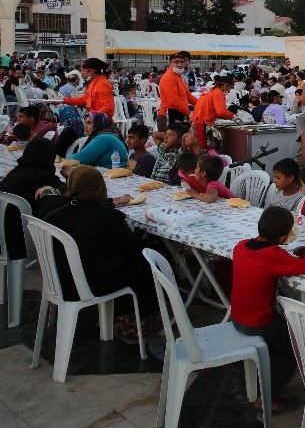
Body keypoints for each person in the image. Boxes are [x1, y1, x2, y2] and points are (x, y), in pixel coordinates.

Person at [35, 166, 157, 337]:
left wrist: (112, 202)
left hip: (61, 279)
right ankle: (137, 317)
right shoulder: (106, 219)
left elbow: (74, 202)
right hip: (92, 284)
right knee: (149, 263)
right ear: (101, 188)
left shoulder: (56, 211)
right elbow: (136, 250)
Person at [231, 207, 305, 417]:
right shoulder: (273, 255)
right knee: (292, 347)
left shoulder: (241, 246)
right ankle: (268, 399)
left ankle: (258, 381)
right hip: (259, 322)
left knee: (281, 331)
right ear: (282, 237)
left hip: (237, 317)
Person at [0, 138, 62, 262]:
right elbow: (71, 193)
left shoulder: (15, 173)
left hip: (2, 236)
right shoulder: (45, 177)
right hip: (20, 241)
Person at [156, 52, 198, 131]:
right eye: (176, 62)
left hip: (179, 112)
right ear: (170, 63)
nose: (179, 65)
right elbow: (173, 101)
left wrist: (202, 103)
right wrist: (189, 113)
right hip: (169, 114)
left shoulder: (179, 77)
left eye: (182, 62)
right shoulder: (168, 77)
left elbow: (188, 96)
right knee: (168, 141)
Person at [190, 74, 235, 148]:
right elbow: (222, 111)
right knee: (203, 147)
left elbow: (214, 110)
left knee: (196, 146)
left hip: (196, 121)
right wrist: (233, 117)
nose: (229, 91)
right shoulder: (218, 93)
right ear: (224, 86)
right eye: (229, 88)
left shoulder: (210, 90)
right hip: (203, 124)